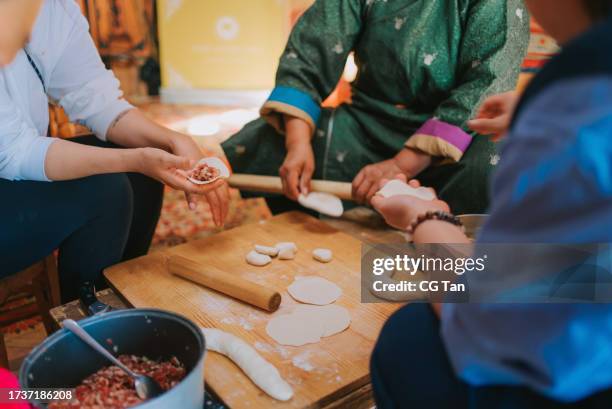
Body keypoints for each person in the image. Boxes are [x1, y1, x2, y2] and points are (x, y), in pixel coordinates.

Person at [369, 0, 612, 407]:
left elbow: (483, 308)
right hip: (376, 119)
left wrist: (424, 217)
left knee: (407, 335)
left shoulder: (578, 96)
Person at [0, 0, 229, 305]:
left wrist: (171, 140)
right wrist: (135, 160)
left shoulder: (53, 7)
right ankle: (85, 325)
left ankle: (117, 305)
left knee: (140, 177)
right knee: (107, 188)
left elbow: (95, 98)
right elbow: (16, 153)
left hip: (14, 165)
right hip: (10, 166)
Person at [222, 0, 530, 216]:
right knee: (266, 139)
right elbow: (311, 52)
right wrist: (298, 143)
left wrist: (402, 166)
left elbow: (484, 88)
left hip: (453, 141)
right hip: (366, 128)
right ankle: (312, 220)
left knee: (495, 164)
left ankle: (438, 230)